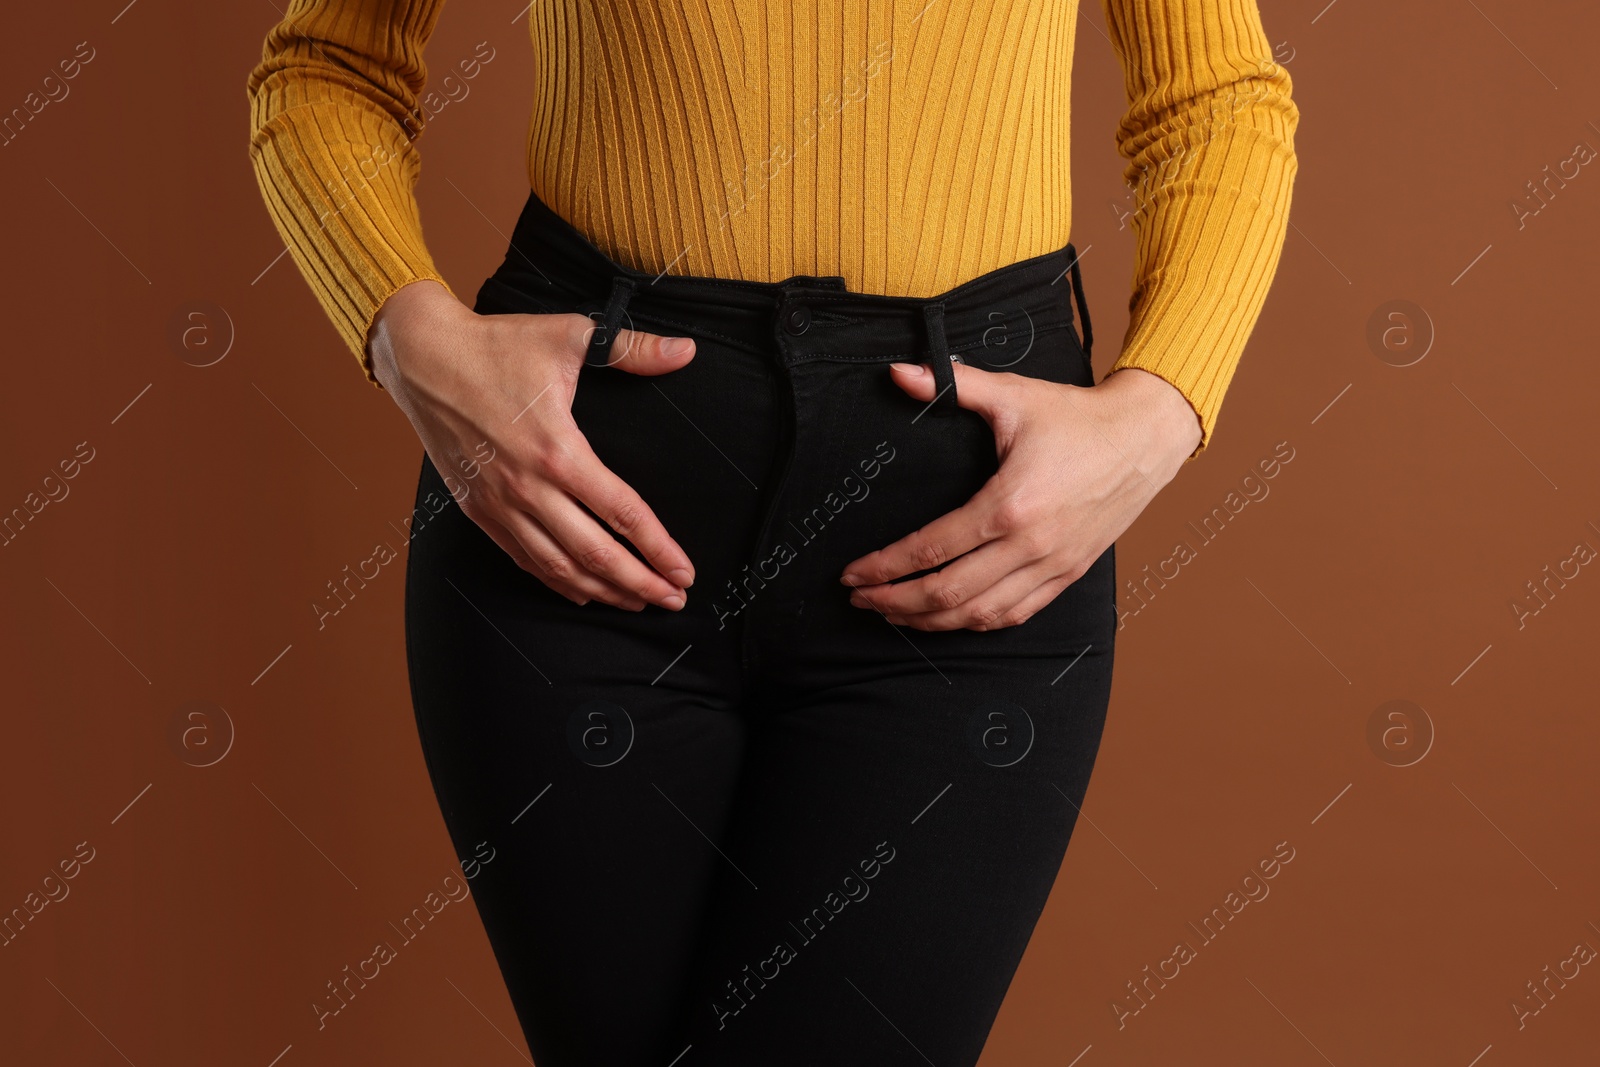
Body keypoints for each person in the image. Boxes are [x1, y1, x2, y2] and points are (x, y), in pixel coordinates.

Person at [246, 1, 1298, 1063]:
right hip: (574, 493)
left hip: (968, 510)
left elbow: (1215, 102)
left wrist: (1162, 407)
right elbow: (330, 64)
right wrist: (409, 339)